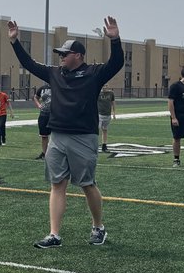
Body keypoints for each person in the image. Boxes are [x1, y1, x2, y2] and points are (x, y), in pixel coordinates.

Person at [7, 19, 123, 248]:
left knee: (87, 184)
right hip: (57, 136)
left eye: (65, 53)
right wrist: (14, 42)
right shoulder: (55, 73)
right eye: (60, 53)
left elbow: (116, 62)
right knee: (57, 184)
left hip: (83, 136)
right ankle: (54, 234)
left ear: (78, 55)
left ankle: (98, 227)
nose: (60, 57)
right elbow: (29, 63)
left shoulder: (94, 73)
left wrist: (115, 39)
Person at [32, 84, 52, 160]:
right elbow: (36, 97)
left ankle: (54, 153)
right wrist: (39, 105)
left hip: (55, 114)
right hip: (44, 114)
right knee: (44, 135)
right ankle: (44, 153)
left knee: (56, 135)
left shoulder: (58, 85)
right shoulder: (42, 88)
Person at [97, 87, 116, 153]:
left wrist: (114, 113)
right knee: (97, 130)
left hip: (107, 114)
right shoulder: (97, 92)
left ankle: (104, 146)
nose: (105, 87)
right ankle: (94, 145)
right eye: (104, 85)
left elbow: (113, 103)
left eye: (106, 85)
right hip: (99, 114)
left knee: (105, 130)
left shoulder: (111, 93)